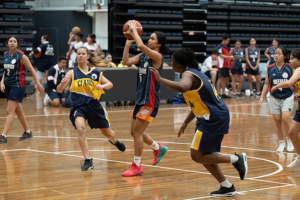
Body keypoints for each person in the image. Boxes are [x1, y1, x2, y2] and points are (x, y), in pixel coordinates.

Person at [149, 48, 247, 197]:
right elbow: (198, 103)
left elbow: (182, 87)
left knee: (196, 155)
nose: (172, 63)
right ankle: (226, 186)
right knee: (205, 154)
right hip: (212, 116)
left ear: (179, 64)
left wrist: (160, 79)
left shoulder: (189, 74)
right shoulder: (195, 72)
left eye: (173, 61)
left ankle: (237, 159)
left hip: (213, 118)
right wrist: (186, 122)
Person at [56, 46, 126, 170]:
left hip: (94, 106)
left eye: (83, 54)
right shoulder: (72, 73)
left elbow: (110, 84)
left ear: (88, 56)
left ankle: (115, 141)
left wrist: (102, 86)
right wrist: (61, 84)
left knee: (108, 134)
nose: (80, 55)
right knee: (80, 129)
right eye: (78, 54)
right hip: (79, 106)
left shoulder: (95, 72)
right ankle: (88, 160)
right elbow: (59, 90)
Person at [121, 20, 168, 176]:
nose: (149, 40)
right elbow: (125, 61)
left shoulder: (157, 57)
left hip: (150, 101)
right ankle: (157, 147)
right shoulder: (142, 56)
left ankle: (137, 165)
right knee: (133, 132)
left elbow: (141, 46)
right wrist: (128, 43)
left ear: (159, 44)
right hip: (140, 99)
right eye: (150, 38)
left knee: (137, 133)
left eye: (153, 39)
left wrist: (134, 31)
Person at [0, 36, 44, 144]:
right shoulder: (6, 54)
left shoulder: (21, 56)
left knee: (9, 111)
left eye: (14, 41)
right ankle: (28, 132)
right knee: (18, 111)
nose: (12, 43)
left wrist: (37, 83)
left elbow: (32, 70)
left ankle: (3, 136)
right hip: (8, 85)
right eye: (10, 41)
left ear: (17, 44)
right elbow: (6, 71)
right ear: (8, 44)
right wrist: (1, 82)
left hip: (18, 85)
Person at [259, 46, 294, 152]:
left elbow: (295, 81)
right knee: (277, 121)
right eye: (275, 53)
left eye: (279, 53)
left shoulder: (290, 67)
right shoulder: (270, 67)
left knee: (285, 119)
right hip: (274, 97)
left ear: (284, 56)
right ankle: (281, 143)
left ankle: (290, 141)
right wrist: (261, 97)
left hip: (287, 96)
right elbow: (266, 83)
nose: (276, 55)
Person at [271, 48, 300, 167]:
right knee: (292, 132)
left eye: (293, 58)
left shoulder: (298, 69)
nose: (290, 60)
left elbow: (289, 83)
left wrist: (276, 86)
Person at [216, 34, 234, 99]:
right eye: (227, 41)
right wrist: (229, 56)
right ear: (224, 40)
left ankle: (223, 93)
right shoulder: (220, 46)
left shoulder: (226, 47)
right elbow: (221, 55)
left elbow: (227, 55)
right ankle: (218, 93)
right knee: (220, 78)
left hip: (226, 65)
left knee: (225, 79)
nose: (228, 42)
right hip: (221, 65)